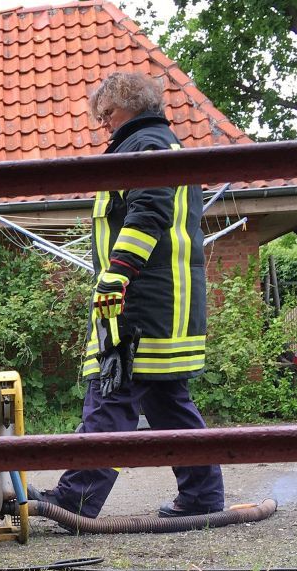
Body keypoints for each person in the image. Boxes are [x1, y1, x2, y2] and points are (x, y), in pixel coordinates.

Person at [39, 70, 225, 522]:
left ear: (127, 106)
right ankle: (202, 495)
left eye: (105, 113)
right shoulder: (156, 145)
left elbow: (147, 215)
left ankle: (76, 498)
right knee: (166, 402)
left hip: (140, 299)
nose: (101, 122)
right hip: (162, 300)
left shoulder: (146, 148)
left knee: (111, 390)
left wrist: (117, 275)